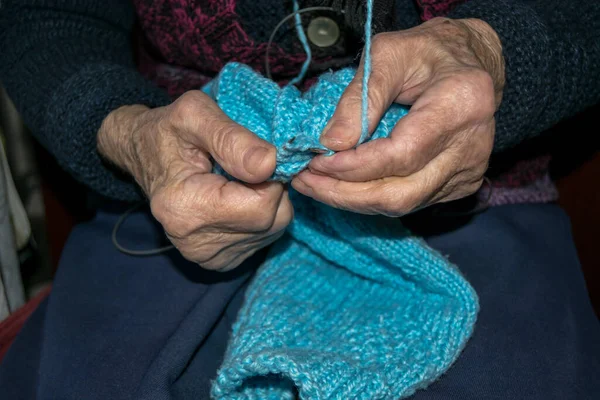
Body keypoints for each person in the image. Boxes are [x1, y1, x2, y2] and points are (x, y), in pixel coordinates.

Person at [0, 0, 599, 398]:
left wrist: (496, 54)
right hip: (172, 184)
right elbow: (46, 18)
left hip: (478, 193)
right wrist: (127, 132)